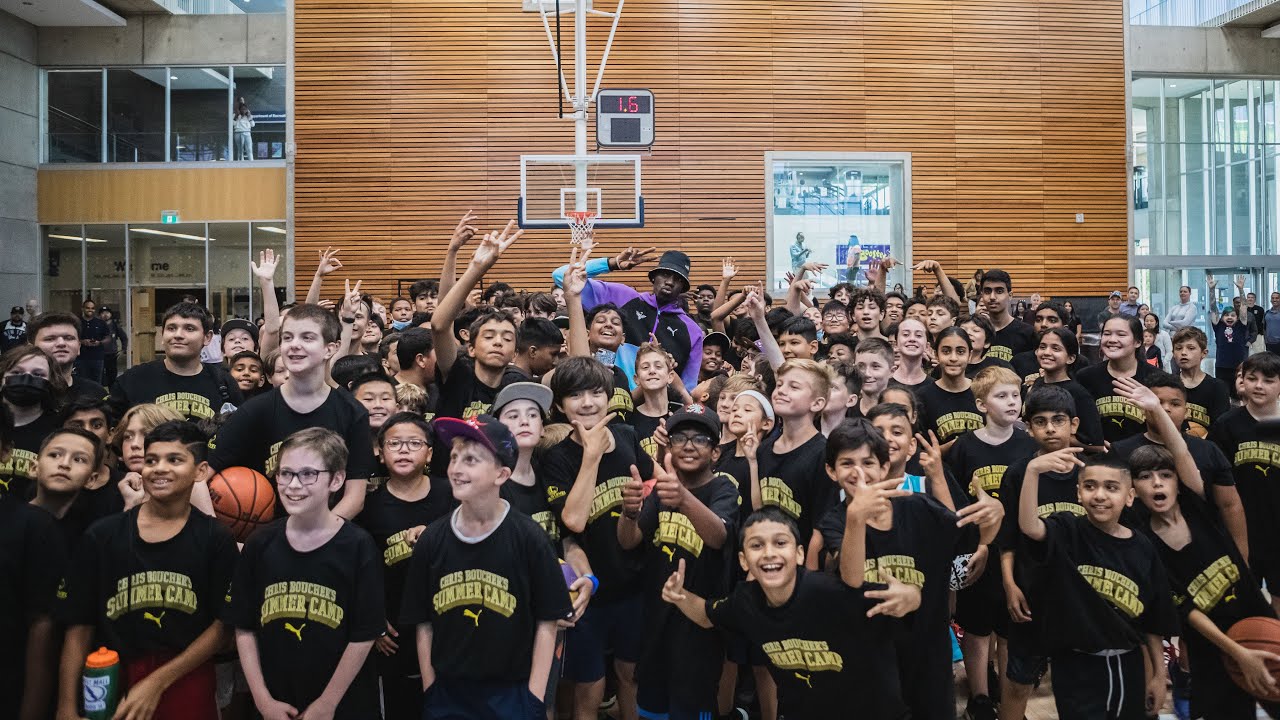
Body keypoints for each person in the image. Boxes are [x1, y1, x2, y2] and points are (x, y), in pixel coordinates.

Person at [816, 418, 1001, 720]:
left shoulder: (920, 508)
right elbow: (851, 578)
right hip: (871, 657)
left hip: (928, 655)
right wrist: (855, 518)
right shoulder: (835, 521)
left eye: (868, 462)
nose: (858, 471)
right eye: (846, 463)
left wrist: (995, 514)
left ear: (885, 467)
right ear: (831, 471)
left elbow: (971, 536)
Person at [662, 504, 920, 719]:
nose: (769, 553)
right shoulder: (745, 601)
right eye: (756, 545)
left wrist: (912, 596)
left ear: (798, 554)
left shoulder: (829, 593)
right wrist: (679, 596)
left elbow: (903, 602)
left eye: (780, 542)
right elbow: (707, 615)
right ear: (743, 560)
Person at [57, 421, 239, 720]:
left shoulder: (215, 539)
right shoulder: (102, 535)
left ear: (201, 471)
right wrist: (65, 706)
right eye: (152, 460)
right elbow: (79, 626)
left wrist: (157, 681)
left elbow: (222, 628)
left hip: (186, 672)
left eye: (175, 459)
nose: (159, 468)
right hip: (110, 673)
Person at [401, 415, 571, 719]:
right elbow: (423, 622)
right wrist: (431, 688)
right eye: (454, 458)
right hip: (448, 694)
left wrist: (534, 697)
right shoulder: (433, 540)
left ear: (501, 474)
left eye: (471, 460)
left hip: (513, 692)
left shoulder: (529, 538)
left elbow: (548, 622)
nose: (456, 468)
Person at [231, 427, 385, 720]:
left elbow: (364, 635)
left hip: (344, 705)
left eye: (308, 474)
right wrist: (263, 700)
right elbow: (244, 627)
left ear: (337, 479)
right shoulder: (260, 544)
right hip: (277, 701)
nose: (293, 485)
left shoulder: (358, 546)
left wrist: (328, 703)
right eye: (285, 473)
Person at [1016, 448, 1177, 719]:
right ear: (1078, 493)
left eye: (1111, 487)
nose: (1099, 495)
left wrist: (1159, 676)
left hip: (1128, 664)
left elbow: (1154, 621)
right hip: (1075, 664)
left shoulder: (1143, 548)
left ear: (1129, 497)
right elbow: (1030, 526)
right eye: (1090, 486)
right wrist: (1032, 472)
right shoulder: (1067, 529)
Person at [541, 355, 653, 720]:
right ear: (559, 405)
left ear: (609, 396)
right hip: (585, 594)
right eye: (575, 396)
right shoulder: (556, 458)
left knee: (630, 676)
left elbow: (649, 490)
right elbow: (573, 521)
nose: (587, 403)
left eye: (595, 393)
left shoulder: (627, 436)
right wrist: (590, 456)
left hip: (633, 584)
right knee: (588, 687)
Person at [619, 404, 739, 720]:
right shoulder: (660, 491)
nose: (688, 445)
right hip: (656, 618)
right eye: (680, 437)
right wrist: (629, 512)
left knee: (692, 706)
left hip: (699, 624)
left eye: (700, 439)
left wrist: (684, 498)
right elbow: (629, 540)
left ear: (715, 452)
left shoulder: (722, 487)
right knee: (652, 709)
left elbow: (719, 536)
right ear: (668, 446)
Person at [210, 303, 375, 520]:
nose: (294, 345)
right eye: (287, 338)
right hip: (268, 537)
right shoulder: (255, 411)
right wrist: (224, 540)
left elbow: (355, 498)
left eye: (307, 338)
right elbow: (200, 479)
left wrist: (318, 535)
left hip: (331, 535)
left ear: (330, 348)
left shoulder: (352, 412)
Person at [945, 366, 1038, 718]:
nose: (1012, 401)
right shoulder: (965, 447)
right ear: (982, 405)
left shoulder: (1029, 445)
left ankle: (1010, 696)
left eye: (1015, 395)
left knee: (1010, 625)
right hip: (977, 548)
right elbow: (952, 497)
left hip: (1016, 550)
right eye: (1002, 396)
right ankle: (981, 694)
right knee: (977, 625)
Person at [354, 412, 454, 719]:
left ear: (430, 453)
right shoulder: (367, 506)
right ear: (380, 453)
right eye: (394, 443)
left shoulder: (451, 494)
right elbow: (360, 572)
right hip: (392, 630)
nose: (404, 450)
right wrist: (373, 620)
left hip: (447, 624)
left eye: (414, 443)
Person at [996, 385, 1086, 720]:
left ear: (1073, 425)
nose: (1050, 428)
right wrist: (1009, 583)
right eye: (1041, 421)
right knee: (1019, 680)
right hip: (1032, 590)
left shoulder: (1090, 474)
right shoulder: (1019, 472)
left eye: (1058, 420)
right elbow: (1007, 537)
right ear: (1029, 427)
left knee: (1076, 682)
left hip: (1081, 593)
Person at [1109, 370, 1249, 559]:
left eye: (1175, 404)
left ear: (1186, 411)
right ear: (1143, 406)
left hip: (1201, 552)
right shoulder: (1120, 451)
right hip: (1143, 553)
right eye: (1158, 403)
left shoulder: (1208, 450)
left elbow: (1230, 505)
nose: (1166, 409)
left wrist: (1242, 557)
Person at [554, 246, 703, 389]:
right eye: (665, 274)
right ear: (653, 277)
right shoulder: (623, 297)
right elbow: (561, 276)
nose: (670, 282)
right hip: (606, 392)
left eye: (677, 279)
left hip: (653, 409)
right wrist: (614, 263)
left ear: (683, 287)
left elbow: (688, 386)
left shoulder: (693, 332)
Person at [1210, 352, 1280, 614]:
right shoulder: (1227, 425)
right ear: (1242, 381)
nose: (1259, 385)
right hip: (1239, 529)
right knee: (1241, 599)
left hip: (1277, 531)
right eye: (1252, 378)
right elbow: (1217, 482)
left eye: (1268, 380)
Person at [748, 359, 837, 565]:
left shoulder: (823, 453)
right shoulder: (764, 448)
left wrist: (810, 578)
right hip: (767, 561)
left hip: (803, 566)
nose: (781, 390)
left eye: (794, 386)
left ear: (817, 403)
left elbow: (820, 529)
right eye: (779, 385)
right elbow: (759, 510)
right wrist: (752, 462)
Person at [109, 302, 244, 421]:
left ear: (207, 337)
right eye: (171, 328)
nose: (178, 335)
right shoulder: (133, 380)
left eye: (189, 328)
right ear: (162, 335)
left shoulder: (224, 383)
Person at [0, 346, 68, 500]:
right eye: (16, 373)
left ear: (51, 381)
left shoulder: (60, 430)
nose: (26, 379)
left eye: (38, 374)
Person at [1077, 315, 1154, 444]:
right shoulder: (1085, 377)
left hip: (1144, 459)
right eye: (1107, 334)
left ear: (1138, 342)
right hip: (1098, 459)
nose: (1112, 340)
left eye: (1121, 335)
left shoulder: (1155, 378)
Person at [1029, 328, 1105, 451]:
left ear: (1070, 358)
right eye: (1042, 347)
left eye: (1056, 348)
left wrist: (1055, 437)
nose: (1047, 352)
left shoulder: (1078, 393)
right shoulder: (1037, 384)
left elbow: (1097, 446)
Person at [918, 326, 984, 447]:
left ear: (969, 355)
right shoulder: (922, 398)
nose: (953, 358)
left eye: (960, 352)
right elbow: (921, 452)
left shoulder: (983, 392)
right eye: (946, 351)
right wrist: (955, 446)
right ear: (936, 354)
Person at [1171, 327, 1230, 439]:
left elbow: (1221, 428)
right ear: (1173, 353)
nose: (1183, 353)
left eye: (1191, 348)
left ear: (1204, 353)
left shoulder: (1217, 387)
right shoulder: (1167, 385)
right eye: (1178, 348)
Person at [977, 269, 1035, 361]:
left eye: (999, 291)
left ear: (1010, 295)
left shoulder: (1028, 333)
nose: (992, 297)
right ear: (982, 295)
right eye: (987, 291)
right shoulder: (975, 333)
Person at [1208, 279, 1252, 395]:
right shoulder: (1219, 326)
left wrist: (1241, 289)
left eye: (1233, 315)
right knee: (1223, 394)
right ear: (1222, 317)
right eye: (1226, 315)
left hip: (1238, 366)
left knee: (1238, 395)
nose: (1230, 317)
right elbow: (1213, 308)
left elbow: (1243, 307)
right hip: (1222, 366)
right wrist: (1212, 290)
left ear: (1237, 318)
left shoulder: (1240, 326)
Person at [75, 299, 110, 385]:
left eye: (92, 308)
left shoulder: (101, 323)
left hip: (97, 358)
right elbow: (70, 337)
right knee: (81, 382)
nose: (90, 310)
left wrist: (100, 342)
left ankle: (96, 398)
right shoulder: (76, 323)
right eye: (87, 308)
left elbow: (108, 338)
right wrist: (81, 341)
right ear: (83, 308)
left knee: (97, 383)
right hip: (80, 358)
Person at [98, 306, 127, 386]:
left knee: (112, 374)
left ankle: (112, 393)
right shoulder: (97, 325)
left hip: (112, 354)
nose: (105, 315)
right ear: (100, 315)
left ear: (110, 314)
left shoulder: (115, 326)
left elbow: (124, 338)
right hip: (99, 354)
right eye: (103, 313)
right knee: (100, 374)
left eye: (107, 313)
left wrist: (123, 350)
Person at [233, 96, 254, 161]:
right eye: (240, 100)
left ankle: (251, 163)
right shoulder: (235, 114)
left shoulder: (248, 113)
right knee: (240, 150)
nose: (242, 102)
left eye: (243, 100)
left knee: (249, 149)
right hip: (238, 133)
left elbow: (252, 125)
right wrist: (236, 118)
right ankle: (241, 165)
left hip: (247, 132)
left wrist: (249, 118)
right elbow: (232, 124)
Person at [1266, 291, 1280, 355]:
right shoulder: (1267, 313)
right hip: (1269, 344)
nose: (1274, 300)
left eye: (1277, 298)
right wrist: (1266, 341)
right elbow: (1264, 328)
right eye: (1272, 298)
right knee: (1272, 364)